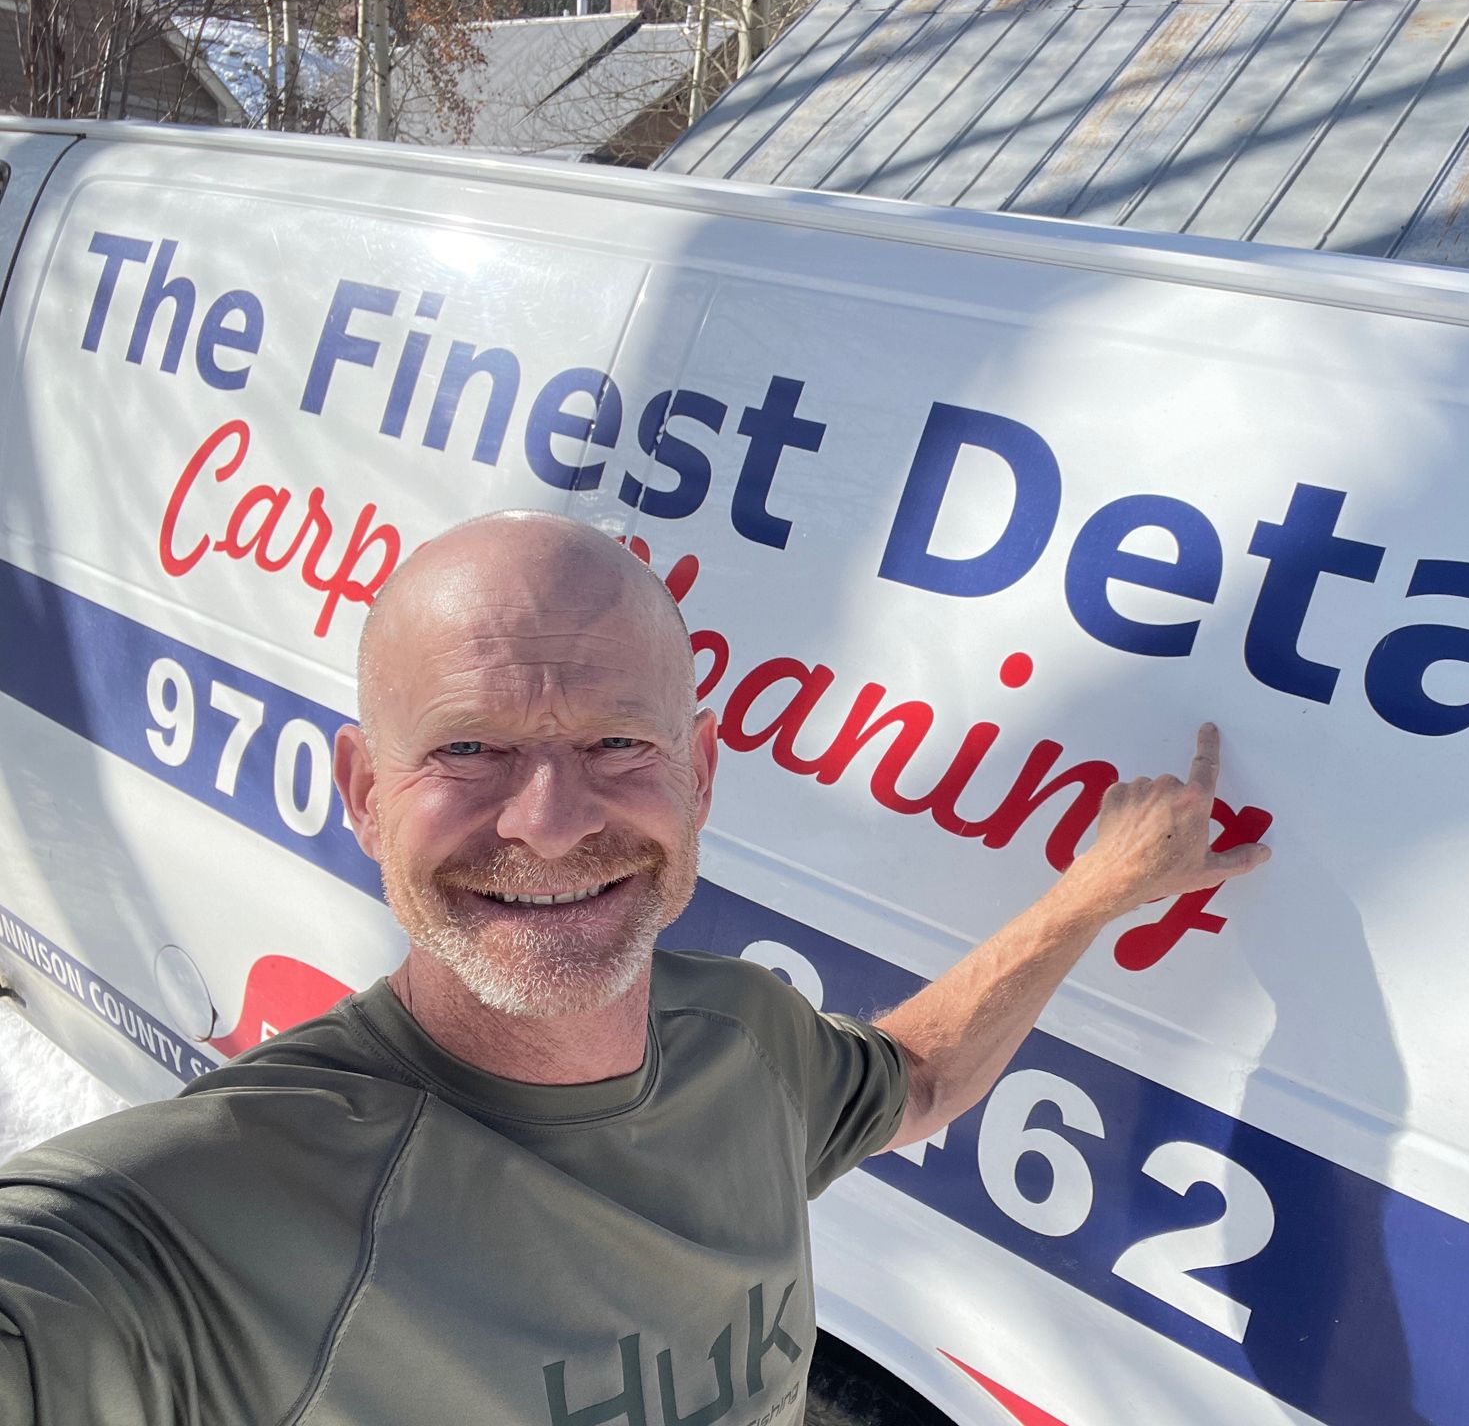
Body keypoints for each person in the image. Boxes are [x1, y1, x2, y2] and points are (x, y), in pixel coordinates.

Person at [0, 511, 1270, 1425]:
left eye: (617, 742)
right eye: (470, 749)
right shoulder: (219, 1209)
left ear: (699, 775)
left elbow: (921, 1079)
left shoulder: (748, 1038)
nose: (551, 822)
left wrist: (1094, 893)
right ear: (365, 793)